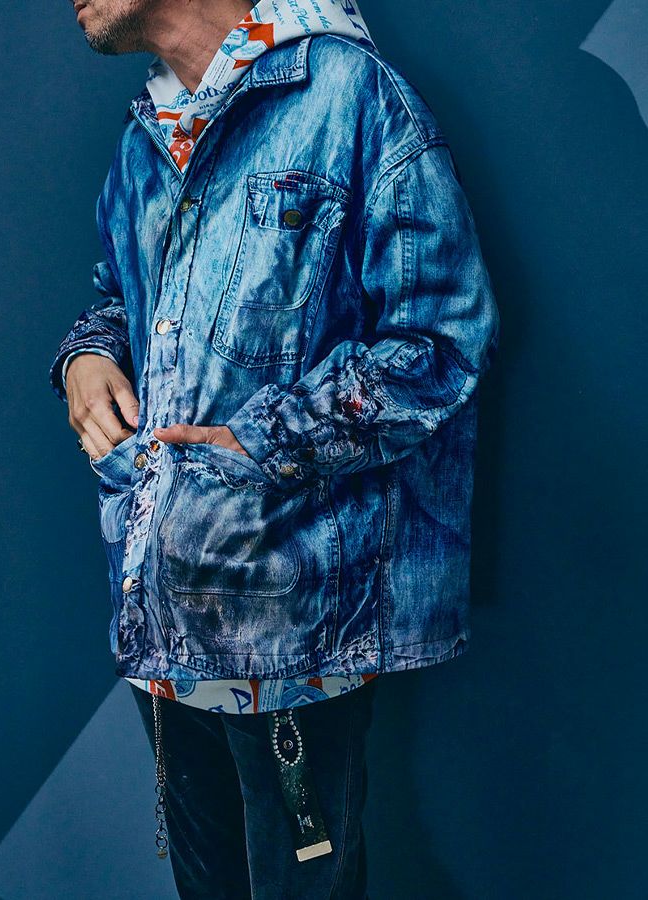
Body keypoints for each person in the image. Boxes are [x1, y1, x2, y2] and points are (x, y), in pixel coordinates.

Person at [49, 1, 500, 896]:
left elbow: (441, 338)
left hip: (293, 639)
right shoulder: (145, 139)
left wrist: (263, 441)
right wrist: (86, 358)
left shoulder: (349, 94)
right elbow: (116, 297)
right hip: (162, 629)